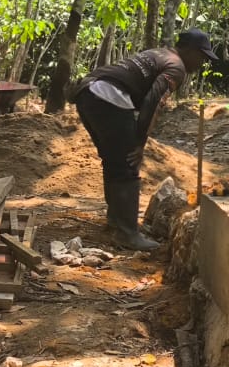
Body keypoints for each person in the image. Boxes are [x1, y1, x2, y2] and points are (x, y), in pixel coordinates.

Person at [71, 29, 218, 251]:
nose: (202, 63)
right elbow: (153, 101)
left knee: (114, 160)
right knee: (129, 162)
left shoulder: (159, 53)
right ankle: (128, 233)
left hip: (88, 92)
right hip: (109, 95)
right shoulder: (176, 67)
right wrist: (139, 143)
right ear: (189, 50)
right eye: (201, 56)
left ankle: (116, 221)